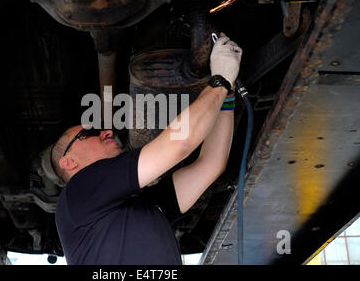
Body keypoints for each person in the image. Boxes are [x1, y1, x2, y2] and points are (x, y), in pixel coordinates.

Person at [52, 32, 242, 264]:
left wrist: (227, 94)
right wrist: (220, 82)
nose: (107, 131)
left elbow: (210, 164)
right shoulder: (79, 192)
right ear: (69, 162)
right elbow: (180, 144)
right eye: (89, 133)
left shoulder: (142, 207)